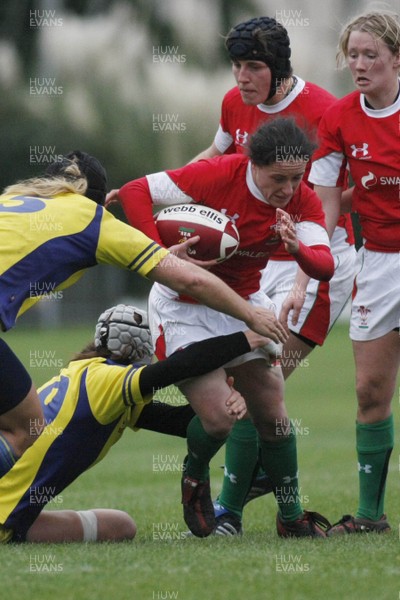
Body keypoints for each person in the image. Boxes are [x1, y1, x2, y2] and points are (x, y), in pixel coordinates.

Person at [110, 117, 335, 538]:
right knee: (217, 420)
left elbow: (325, 264)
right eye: (278, 178)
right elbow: (135, 190)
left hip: (242, 305)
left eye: (297, 178)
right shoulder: (218, 174)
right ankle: (194, 480)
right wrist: (159, 254)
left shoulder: (301, 201)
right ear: (253, 165)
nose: (287, 189)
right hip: (184, 307)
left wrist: (297, 248)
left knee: (273, 413)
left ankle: (291, 519)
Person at [0, 149, 288, 477]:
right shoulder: (95, 223)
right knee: (27, 426)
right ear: (102, 202)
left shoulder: (14, 201)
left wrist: (164, 253)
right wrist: (250, 315)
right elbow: (191, 279)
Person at [189, 15, 357, 536]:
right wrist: (177, 196)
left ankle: (231, 512)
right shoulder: (233, 104)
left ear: (279, 66)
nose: (242, 77)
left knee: (261, 381)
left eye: (254, 67)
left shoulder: (324, 112)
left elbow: (343, 195)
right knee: (252, 384)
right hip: (255, 264)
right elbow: (213, 159)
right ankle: (264, 505)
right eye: (237, 65)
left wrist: (306, 253)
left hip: (316, 262)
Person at [0, 303, 277, 543]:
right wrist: (245, 339)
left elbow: (182, 423)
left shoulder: (87, 375)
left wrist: (225, 403)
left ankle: (17, 523)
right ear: (141, 349)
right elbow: (177, 368)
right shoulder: (106, 381)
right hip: (5, 508)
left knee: (121, 526)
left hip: (13, 508)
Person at [308, 10, 400, 535]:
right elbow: (323, 209)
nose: (359, 65)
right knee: (369, 391)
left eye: (371, 55)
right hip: (379, 263)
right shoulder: (340, 118)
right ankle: (370, 516)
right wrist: (309, 262)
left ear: (396, 59)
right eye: (353, 56)